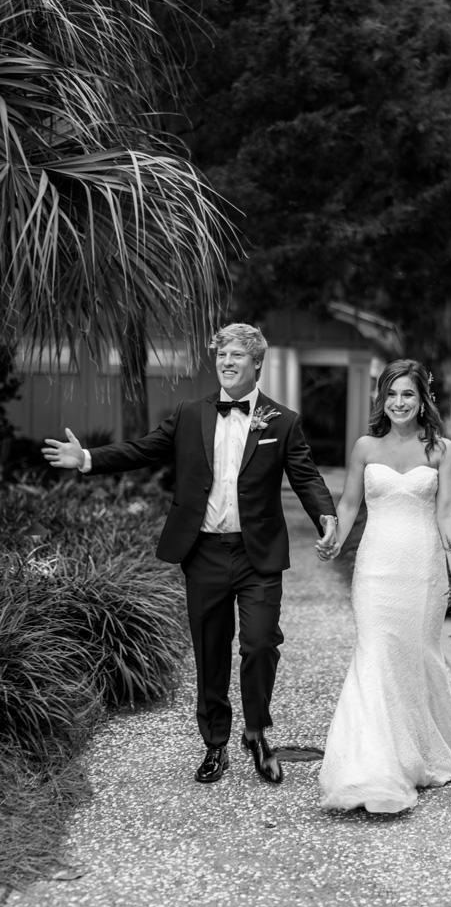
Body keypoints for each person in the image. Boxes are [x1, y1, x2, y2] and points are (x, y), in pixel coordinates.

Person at [42, 323, 337, 787]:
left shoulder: (282, 421)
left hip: (257, 554)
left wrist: (327, 518)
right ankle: (215, 744)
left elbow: (307, 477)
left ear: (257, 362)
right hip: (203, 553)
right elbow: (144, 449)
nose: (226, 362)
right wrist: (88, 459)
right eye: (222, 355)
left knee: (260, 643)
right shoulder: (189, 413)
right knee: (210, 649)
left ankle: (257, 733)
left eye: (237, 355)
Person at [315, 358, 451, 814]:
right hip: (375, 568)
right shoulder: (365, 447)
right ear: (381, 399)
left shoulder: (442, 450)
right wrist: (334, 540)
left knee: (419, 653)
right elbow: (349, 504)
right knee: (375, 655)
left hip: (423, 570)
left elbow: (448, 512)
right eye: (391, 394)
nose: (398, 402)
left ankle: (439, 738)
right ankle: (372, 766)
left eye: (407, 394)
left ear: (423, 399)